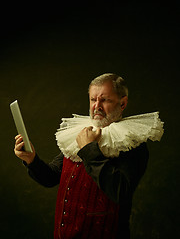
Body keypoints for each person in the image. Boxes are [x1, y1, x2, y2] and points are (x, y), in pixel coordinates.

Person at [14, 73, 164, 239]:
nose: (97, 106)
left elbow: (120, 192)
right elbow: (51, 177)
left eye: (105, 100)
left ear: (122, 103)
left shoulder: (133, 143)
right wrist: (31, 159)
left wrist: (89, 149)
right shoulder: (79, 133)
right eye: (93, 100)